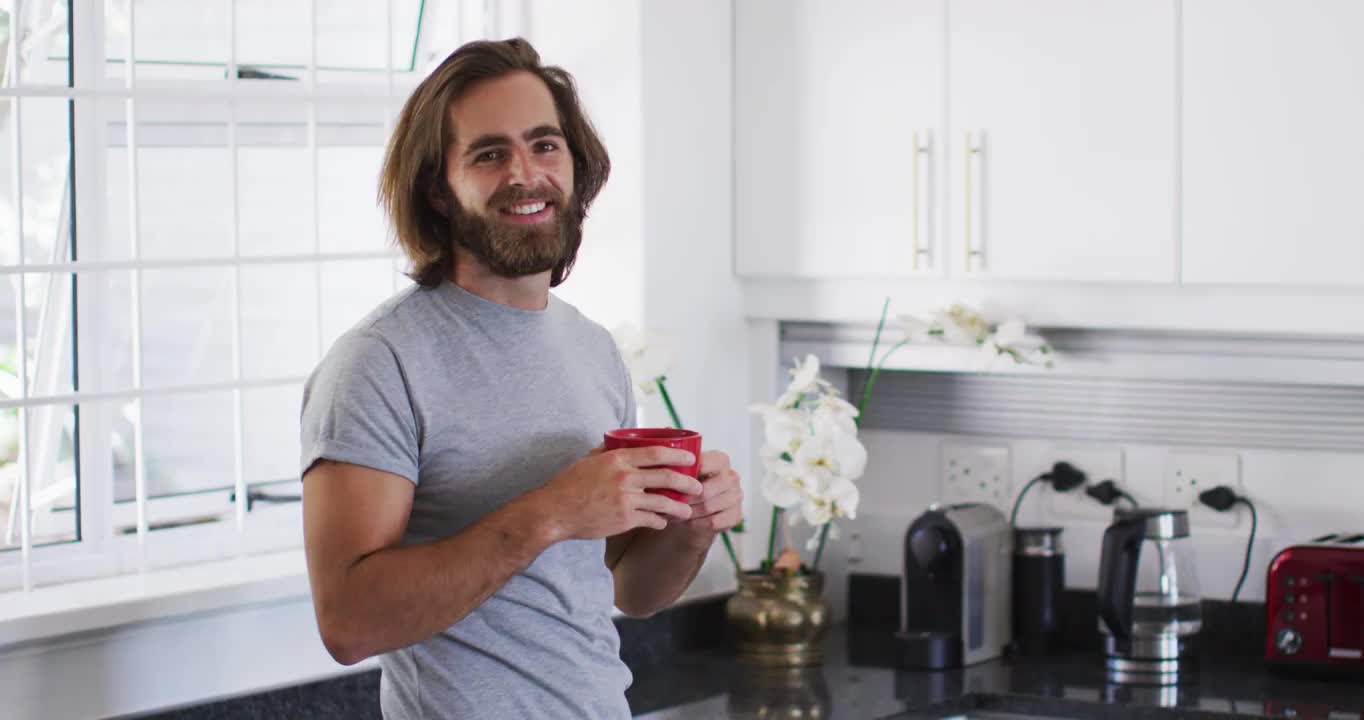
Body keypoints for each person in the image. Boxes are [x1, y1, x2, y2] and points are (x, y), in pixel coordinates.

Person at [298, 38, 743, 720]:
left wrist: (692, 527)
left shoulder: (593, 350)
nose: (525, 173)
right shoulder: (379, 362)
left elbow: (627, 590)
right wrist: (553, 512)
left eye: (544, 145)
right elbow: (349, 623)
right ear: (436, 191)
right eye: (488, 153)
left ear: (575, 164)